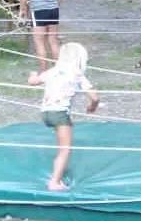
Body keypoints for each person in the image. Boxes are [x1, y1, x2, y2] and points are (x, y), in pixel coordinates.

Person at [27, 43, 100, 192]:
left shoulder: (53, 71)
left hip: (45, 113)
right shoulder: (77, 75)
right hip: (60, 114)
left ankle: (59, 173)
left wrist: (33, 75)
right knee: (65, 149)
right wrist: (92, 107)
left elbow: (32, 82)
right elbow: (95, 97)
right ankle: (54, 182)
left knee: (61, 147)